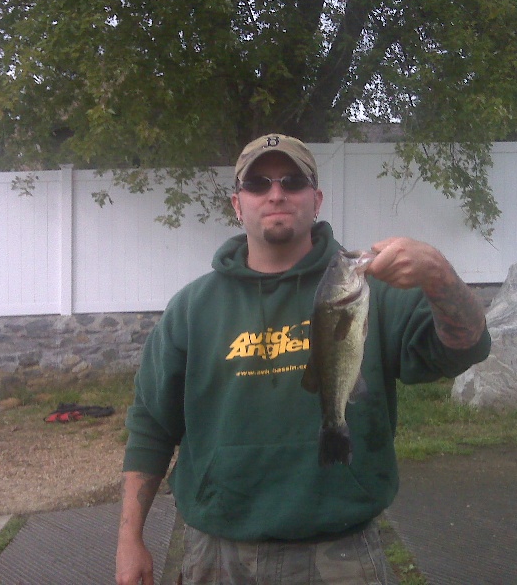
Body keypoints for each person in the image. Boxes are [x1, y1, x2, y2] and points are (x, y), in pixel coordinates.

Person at [115, 134, 491, 585]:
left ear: (316, 199)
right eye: (258, 183)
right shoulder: (192, 308)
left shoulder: (370, 291)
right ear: (238, 204)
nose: (276, 193)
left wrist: (438, 274)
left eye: (292, 181)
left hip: (342, 551)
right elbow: (151, 425)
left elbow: (465, 346)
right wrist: (129, 538)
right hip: (216, 553)